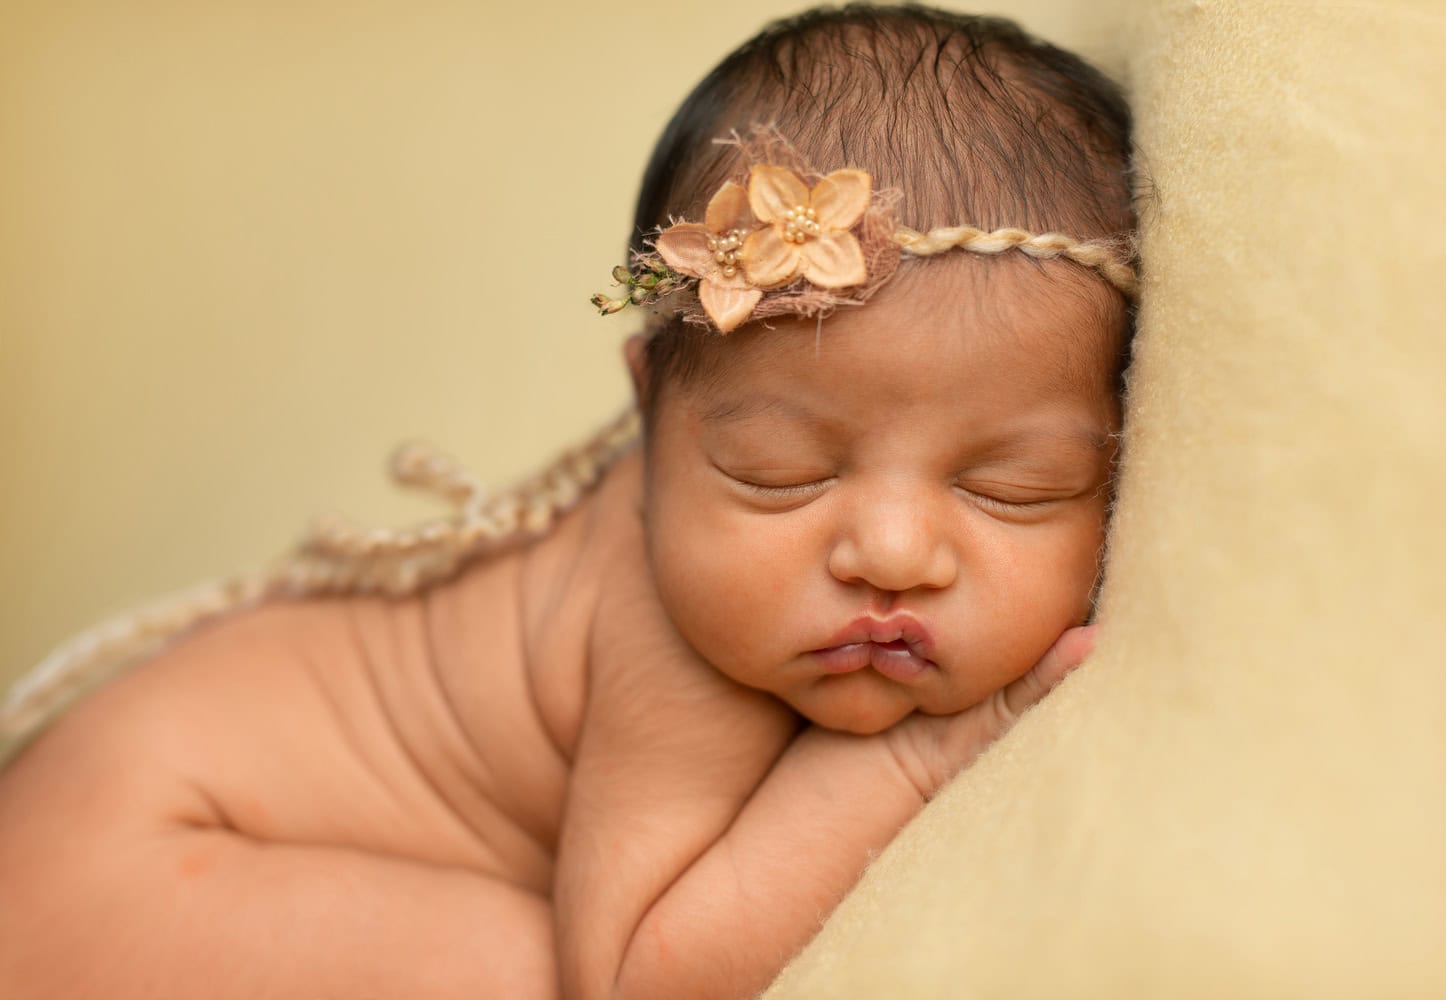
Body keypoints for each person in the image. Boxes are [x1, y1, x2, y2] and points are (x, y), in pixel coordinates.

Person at [0, 5, 1137, 998]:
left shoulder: (766, 581)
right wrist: (913, 762)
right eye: (778, 473)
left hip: (112, 833)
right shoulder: (679, 637)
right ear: (651, 422)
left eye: (1013, 488)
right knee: (520, 972)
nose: (890, 550)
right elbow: (642, 977)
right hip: (139, 858)